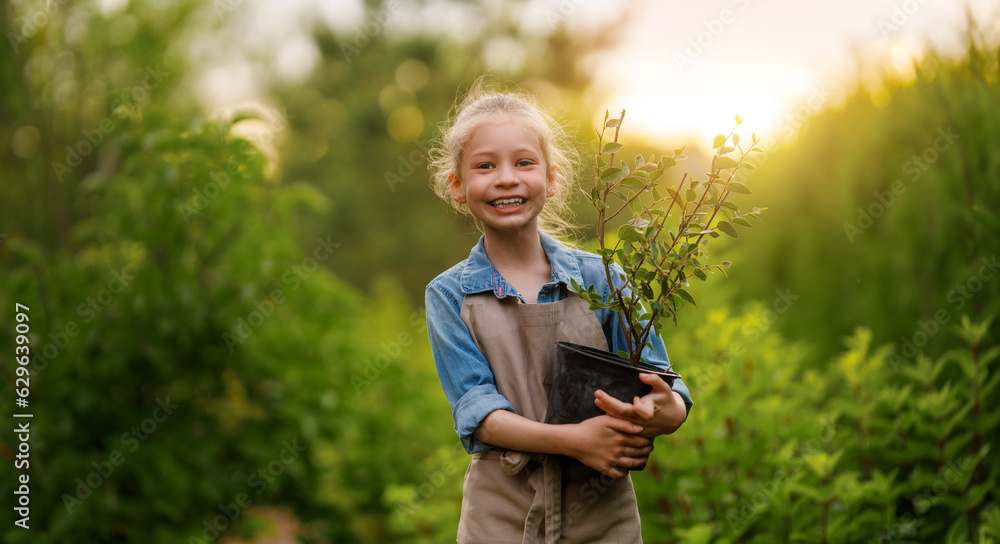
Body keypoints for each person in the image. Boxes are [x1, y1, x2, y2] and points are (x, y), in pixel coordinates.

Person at [425, 84, 693, 543]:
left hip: (600, 513)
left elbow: (666, 384)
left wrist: (666, 410)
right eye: (485, 165)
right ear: (457, 186)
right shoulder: (450, 295)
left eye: (524, 163)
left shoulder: (604, 279)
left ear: (551, 179)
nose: (506, 178)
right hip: (500, 514)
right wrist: (577, 441)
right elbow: (480, 414)